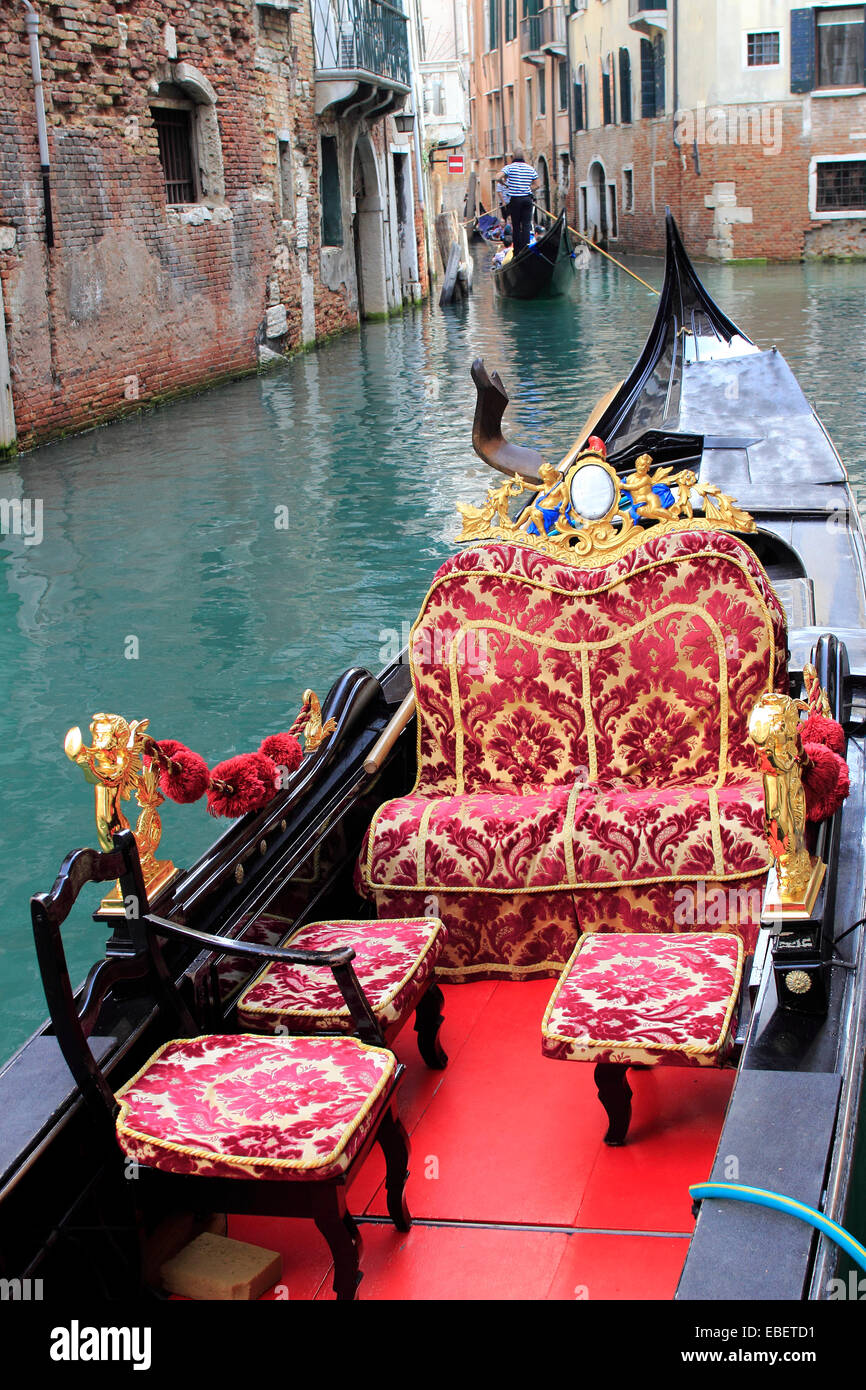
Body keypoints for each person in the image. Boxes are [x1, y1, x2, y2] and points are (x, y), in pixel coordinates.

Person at [498, 150, 538, 252]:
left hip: (515, 200)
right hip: (527, 199)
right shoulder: (530, 168)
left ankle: (517, 251)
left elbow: (497, 177)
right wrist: (527, 189)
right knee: (526, 225)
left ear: (513, 157)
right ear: (523, 157)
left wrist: (504, 184)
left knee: (516, 225)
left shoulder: (509, 167)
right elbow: (538, 185)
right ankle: (525, 249)